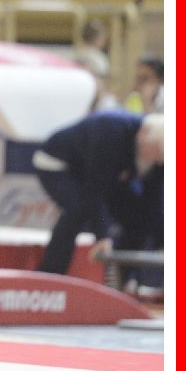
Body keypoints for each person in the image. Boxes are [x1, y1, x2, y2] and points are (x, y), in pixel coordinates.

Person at [32, 110, 164, 275]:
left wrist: (162, 242)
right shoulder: (112, 131)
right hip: (57, 163)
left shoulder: (158, 156)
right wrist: (102, 236)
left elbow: (153, 201)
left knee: (138, 215)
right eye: (156, 151)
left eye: (161, 157)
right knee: (78, 209)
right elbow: (95, 189)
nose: (157, 159)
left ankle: (124, 277)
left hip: (98, 174)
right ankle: (50, 275)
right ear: (143, 134)